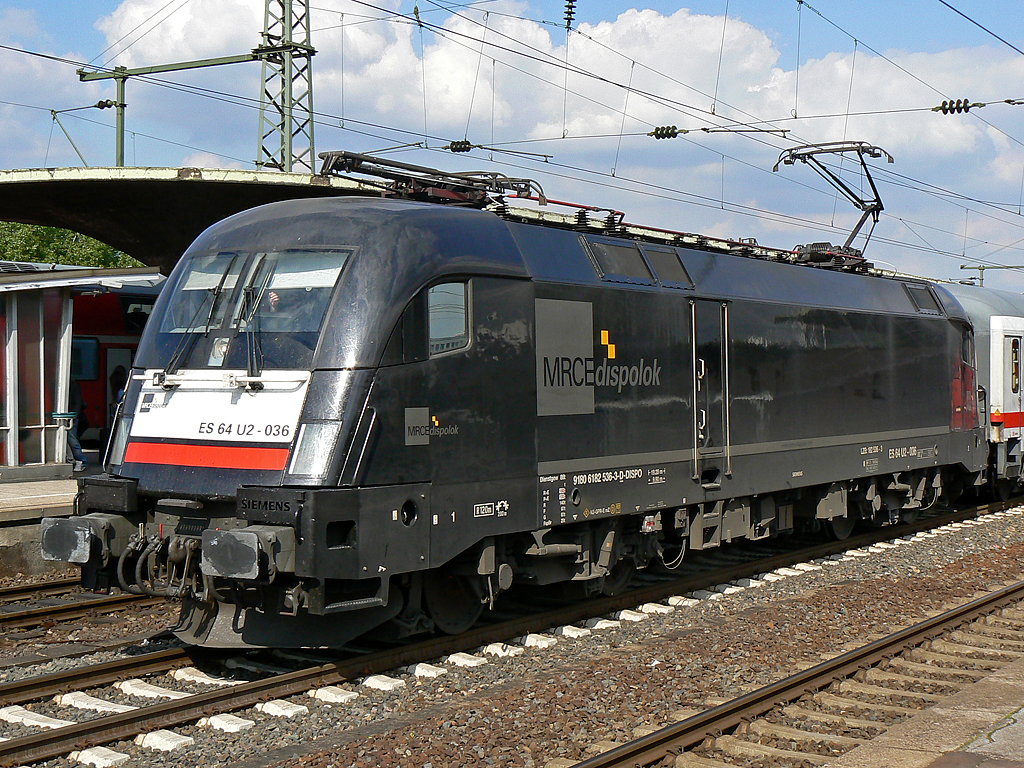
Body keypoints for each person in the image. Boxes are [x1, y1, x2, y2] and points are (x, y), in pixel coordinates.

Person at [67, 378, 87, 472]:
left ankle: (81, 461)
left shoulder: (73, 385)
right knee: (70, 439)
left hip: (71, 416)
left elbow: (77, 402)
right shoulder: (72, 384)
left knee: (72, 439)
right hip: (69, 415)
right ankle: (75, 460)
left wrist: (74, 416)